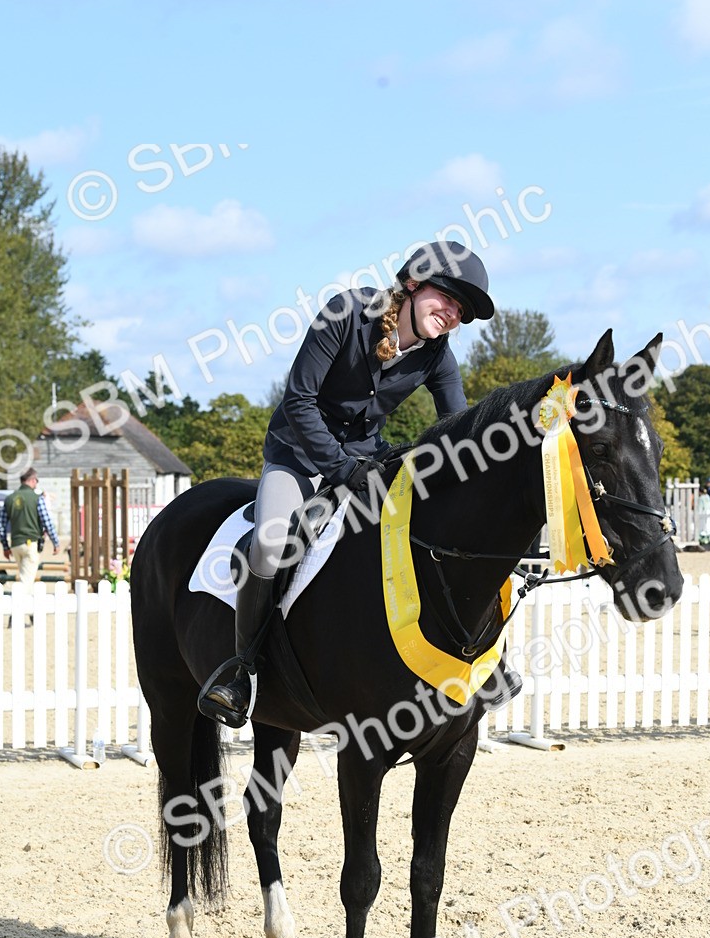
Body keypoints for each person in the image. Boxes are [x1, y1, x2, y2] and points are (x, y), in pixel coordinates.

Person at [200, 240, 502, 728]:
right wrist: (340, 470)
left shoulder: (437, 358)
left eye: (461, 311)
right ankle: (242, 671)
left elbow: (458, 429)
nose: (452, 314)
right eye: (447, 298)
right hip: (297, 454)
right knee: (271, 545)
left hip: (366, 461)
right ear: (412, 283)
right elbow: (299, 400)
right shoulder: (345, 312)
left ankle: (482, 661)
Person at [0, 468, 60, 616]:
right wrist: (55, 542)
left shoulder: (10, 498)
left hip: (15, 544)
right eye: (36, 481)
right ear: (32, 480)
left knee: (26, 577)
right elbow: (47, 521)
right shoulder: (36, 498)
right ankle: (15, 614)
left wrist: (5, 547)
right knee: (26, 581)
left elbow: (1, 526)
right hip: (30, 543)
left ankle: (31, 614)